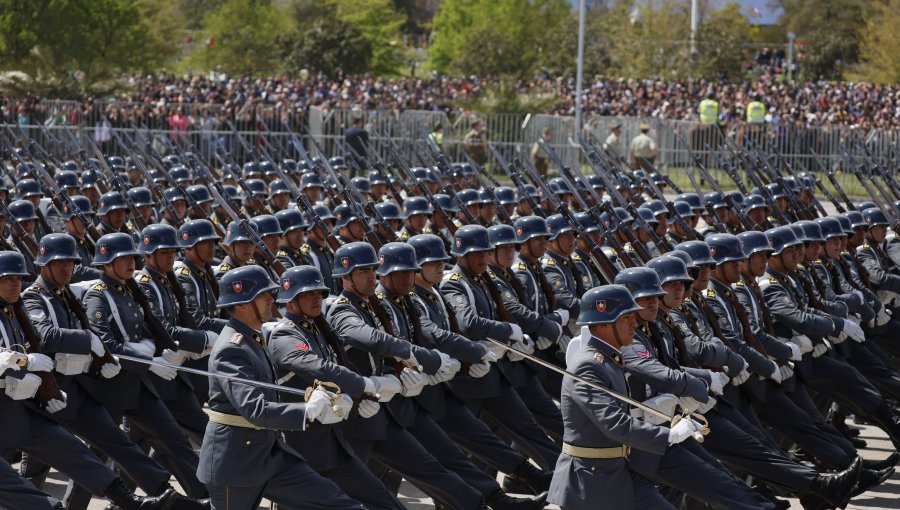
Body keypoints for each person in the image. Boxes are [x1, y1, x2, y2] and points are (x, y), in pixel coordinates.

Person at [198, 265, 364, 510]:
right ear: (242, 304)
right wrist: (306, 411)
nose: (271, 300)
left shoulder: (253, 338)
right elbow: (255, 409)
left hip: (269, 455)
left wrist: (316, 405)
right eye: (264, 296)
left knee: (338, 503)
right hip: (236, 462)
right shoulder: (232, 349)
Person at [548, 284, 704, 510]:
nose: (635, 323)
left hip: (616, 471)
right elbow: (614, 424)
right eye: (626, 317)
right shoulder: (589, 366)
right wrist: (668, 435)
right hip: (592, 482)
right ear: (602, 324)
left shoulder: (609, 358)